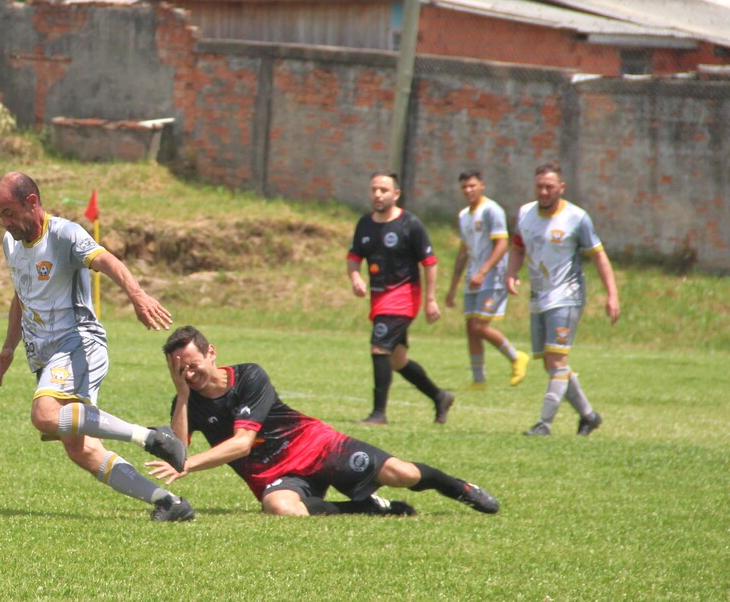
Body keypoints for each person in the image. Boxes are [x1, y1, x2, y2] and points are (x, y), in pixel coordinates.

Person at [0, 171, 195, 521]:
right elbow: (20, 296)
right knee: (81, 449)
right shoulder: (12, 244)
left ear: (32, 203)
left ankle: (152, 438)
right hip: (44, 355)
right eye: (0, 216)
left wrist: (137, 295)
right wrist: (8, 348)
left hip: (78, 342)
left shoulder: (64, 234)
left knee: (45, 415)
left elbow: (107, 260)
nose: (5, 223)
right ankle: (169, 502)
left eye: (9, 213)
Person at [146, 326, 500, 518]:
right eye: (180, 369)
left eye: (193, 364)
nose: (189, 373)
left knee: (403, 475)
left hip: (316, 445)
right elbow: (180, 450)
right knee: (281, 509)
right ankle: (366, 508)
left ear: (211, 352)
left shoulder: (249, 376)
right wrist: (182, 395)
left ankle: (462, 490)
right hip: (273, 475)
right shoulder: (185, 400)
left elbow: (239, 444)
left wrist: (188, 466)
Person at [505, 163, 620, 436]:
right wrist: (511, 273)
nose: (544, 192)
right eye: (540, 186)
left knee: (556, 361)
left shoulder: (577, 218)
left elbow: (599, 255)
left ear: (561, 188)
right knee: (551, 364)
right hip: (539, 295)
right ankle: (589, 416)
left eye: (549, 187)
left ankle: (544, 425)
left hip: (567, 295)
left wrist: (612, 294)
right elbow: (518, 246)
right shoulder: (525, 213)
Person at [347, 171, 454, 425]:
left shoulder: (410, 224)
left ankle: (378, 414)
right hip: (378, 299)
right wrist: (356, 278)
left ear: (396, 194)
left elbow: (429, 262)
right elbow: (354, 258)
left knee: (379, 348)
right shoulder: (365, 223)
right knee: (397, 360)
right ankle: (440, 396)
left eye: (384, 190)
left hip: (403, 297)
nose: (377, 194)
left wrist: (430, 300)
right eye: (374, 189)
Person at [445, 169, 530, 390]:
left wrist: (483, 271)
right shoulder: (464, 215)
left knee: (480, 326)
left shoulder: (492, 210)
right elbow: (463, 251)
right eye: (464, 187)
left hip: (492, 277)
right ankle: (478, 380)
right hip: (473, 279)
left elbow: (502, 244)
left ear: (482, 185)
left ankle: (516, 357)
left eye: (472, 185)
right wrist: (453, 288)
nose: (468, 190)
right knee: (470, 327)